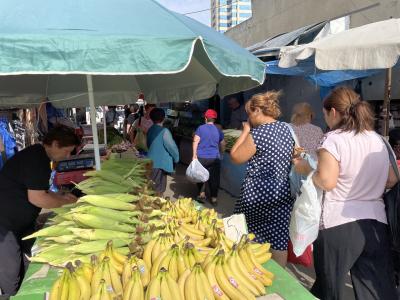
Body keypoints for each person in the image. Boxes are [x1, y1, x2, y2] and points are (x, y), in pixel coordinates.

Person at [294, 86, 398, 300]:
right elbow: (391, 179)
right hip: (376, 223)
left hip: (338, 223)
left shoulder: (333, 139)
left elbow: (327, 180)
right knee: (375, 289)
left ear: (333, 112)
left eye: (324, 114)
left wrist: (307, 169)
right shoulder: (377, 139)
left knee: (330, 289)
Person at [0, 125, 80, 296]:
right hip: (5, 225)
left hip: (21, 224)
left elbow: (42, 190)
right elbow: (37, 198)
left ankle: (27, 293)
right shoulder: (37, 159)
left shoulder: (40, 156)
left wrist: (62, 197)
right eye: (67, 151)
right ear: (56, 144)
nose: (67, 156)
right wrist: (65, 204)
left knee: (29, 263)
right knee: (11, 272)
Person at [230, 91, 294, 267]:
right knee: (278, 239)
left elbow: (235, 157)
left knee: (246, 235)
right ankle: (279, 279)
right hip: (282, 192)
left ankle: (247, 269)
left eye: (249, 114)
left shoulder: (258, 134)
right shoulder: (287, 129)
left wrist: (245, 131)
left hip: (256, 195)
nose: (248, 118)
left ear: (257, 110)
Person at [192, 109, 225, 206]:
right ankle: (214, 198)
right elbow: (223, 144)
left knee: (200, 176)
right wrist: (221, 153)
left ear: (205, 118)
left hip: (201, 157)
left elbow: (195, 141)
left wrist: (194, 155)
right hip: (214, 158)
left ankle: (202, 194)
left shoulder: (200, 128)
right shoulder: (218, 130)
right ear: (214, 119)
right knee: (214, 178)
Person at [147, 108, 179, 197]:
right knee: (158, 190)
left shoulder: (150, 129)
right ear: (164, 118)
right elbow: (172, 147)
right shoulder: (164, 131)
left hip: (150, 162)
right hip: (160, 165)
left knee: (151, 187)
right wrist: (176, 158)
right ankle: (157, 207)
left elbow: (148, 144)